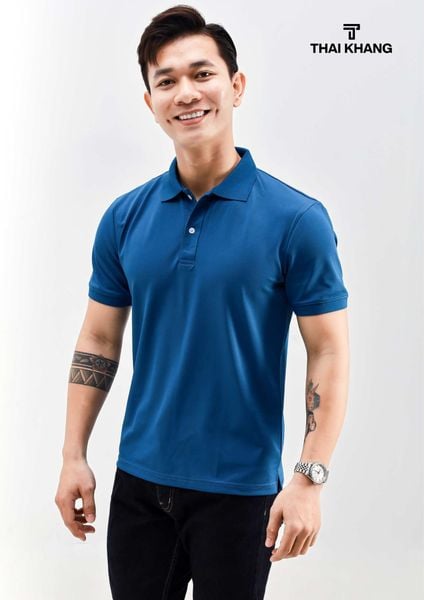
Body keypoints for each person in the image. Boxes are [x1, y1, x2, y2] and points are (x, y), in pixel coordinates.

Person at [55, 5, 350, 599]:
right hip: (139, 484)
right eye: (166, 81)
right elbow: (99, 338)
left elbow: (328, 350)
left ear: (236, 86)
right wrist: (73, 455)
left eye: (202, 73)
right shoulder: (124, 217)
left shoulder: (297, 220)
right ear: (151, 103)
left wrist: (309, 479)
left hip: (240, 493)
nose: (186, 93)